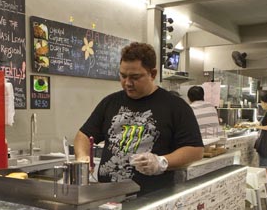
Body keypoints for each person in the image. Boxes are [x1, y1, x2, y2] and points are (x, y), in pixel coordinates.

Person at [73, 42, 204, 195]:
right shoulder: (110, 103)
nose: (127, 83)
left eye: (135, 77)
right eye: (123, 76)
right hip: (108, 197)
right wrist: (82, 157)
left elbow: (195, 150)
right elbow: (83, 135)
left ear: (153, 74)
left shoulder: (175, 106)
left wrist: (162, 162)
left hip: (151, 199)